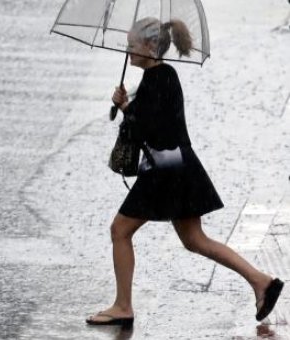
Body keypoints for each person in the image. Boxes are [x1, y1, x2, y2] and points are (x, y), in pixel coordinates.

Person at [85, 17, 284, 327]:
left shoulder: (159, 79)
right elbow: (151, 123)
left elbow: (151, 130)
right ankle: (261, 281)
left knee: (120, 231)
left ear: (150, 47)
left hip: (165, 173)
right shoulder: (159, 78)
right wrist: (126, 107)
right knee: (195, 240)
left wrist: (126, 110)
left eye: (131, 46)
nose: (127, 52)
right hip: (177, 169)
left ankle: (123, 305)